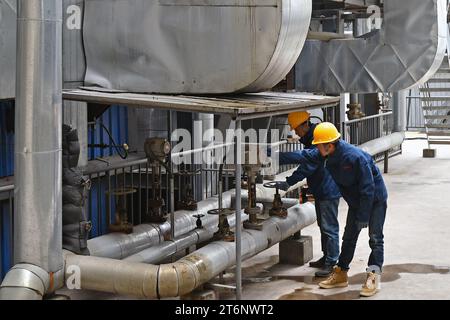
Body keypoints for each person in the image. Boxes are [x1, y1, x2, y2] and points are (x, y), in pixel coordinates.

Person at [307, 122, 388, 297]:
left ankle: (373, 275)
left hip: (374, 200)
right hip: (356, 201)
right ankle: (341, 273)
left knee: (375, 239)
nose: (317, 148)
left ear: (329, 145)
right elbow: (305, 156)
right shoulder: (330, 156)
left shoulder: (355, 157)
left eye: (318, 145)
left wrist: (363, 216)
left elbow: (368, 188)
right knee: (349, 237)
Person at [276, 111, 341, 277]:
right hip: (322, 189)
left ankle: (332, 262)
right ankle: (327, 257)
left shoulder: (317, 140)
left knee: (329, 228)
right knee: (323, 226)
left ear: (305, 125)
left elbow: (307, 166)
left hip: (328, 190)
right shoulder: (310, 138)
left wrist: (288, 180)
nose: (295, 132)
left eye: (296, 129)